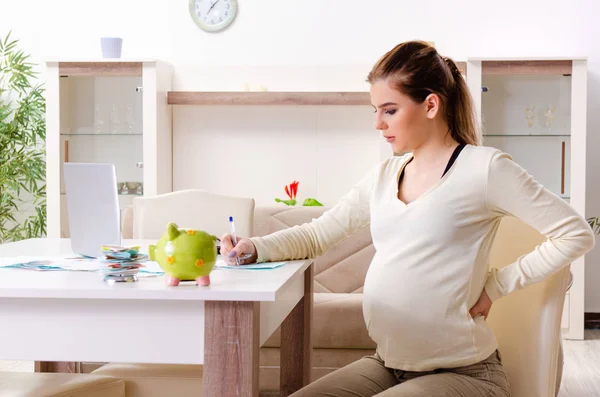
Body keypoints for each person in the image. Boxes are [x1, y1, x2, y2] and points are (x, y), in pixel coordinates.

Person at [220, 41, 596, 397]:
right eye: (375, 111)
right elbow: (320, 234)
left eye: (390, 110)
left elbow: (575, 234)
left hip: (465, 375)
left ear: (431, 105)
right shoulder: (386, 174)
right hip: (388, 363)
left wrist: (496, 286)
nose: (378, 124)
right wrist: (255, 247)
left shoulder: (485, 170)